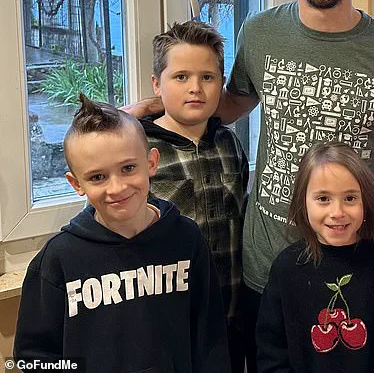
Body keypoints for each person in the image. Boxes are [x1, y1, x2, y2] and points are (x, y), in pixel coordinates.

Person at [126, 0, 374, 370]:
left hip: (355, 267)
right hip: (264, 268)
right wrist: (146, 112)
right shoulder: (260, 31)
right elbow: (226, 106)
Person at [14, 95, 231, 372]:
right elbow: (32, 356)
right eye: (97, 177)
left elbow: (210, 338)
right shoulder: (58, 260)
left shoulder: (187, 239)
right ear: (76, 183)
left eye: (128, 168)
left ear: (151, 163)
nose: (117, 188)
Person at [140, 21, 248, 372]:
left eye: (207, 77)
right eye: (181, 77)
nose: (195, 88)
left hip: (230, 317)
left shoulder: (229, 143)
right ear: (157, 84)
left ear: (221, 84)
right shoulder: (138, 152)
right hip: (166, 322)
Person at [256, 143, 374, 372]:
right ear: (303, 202)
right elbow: (271, 353)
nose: (337, 212)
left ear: (365, 201)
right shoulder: (285, 269)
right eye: (323, 198)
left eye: (350, 198)